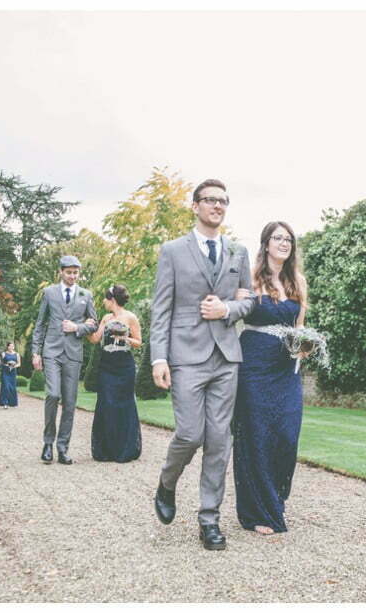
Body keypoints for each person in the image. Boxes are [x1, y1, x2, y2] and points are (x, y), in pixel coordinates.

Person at [150, 178, 257, 551]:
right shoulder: (173, 251)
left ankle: (209, 520)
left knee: (218, 441)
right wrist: (159, 358)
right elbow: (161, 308)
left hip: (226, 357)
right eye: (210, 200)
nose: (217, 206)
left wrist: (226, 308)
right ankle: (167, 480)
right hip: (186, 356)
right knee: (191, 434)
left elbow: (249, 301)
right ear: (195, 206)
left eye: (223, 201)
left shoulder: (238, 253)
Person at [232, 221, 309, 535]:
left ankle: (276, 500)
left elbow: (300, 326)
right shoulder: (250, 278)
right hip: (254, 365)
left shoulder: (297, 281)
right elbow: (233, 313)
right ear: (265, 244)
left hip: (286, 368)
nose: (284, 243)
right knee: (257, 436)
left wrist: (307, 346)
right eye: (278, 238)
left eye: (289, 239)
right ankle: (258, 511)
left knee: (287, 437)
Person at [31, 255, 99, 465]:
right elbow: (40, 324)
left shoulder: (85, 295)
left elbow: (95, 324)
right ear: (60, 272)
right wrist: (36, 352)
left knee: (70, 403)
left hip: (73, 354)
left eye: (75, 272)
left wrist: (77, 327)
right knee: (52, 395)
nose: (72, 276)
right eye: (68, 272)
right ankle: (47, 443)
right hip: (51, 352)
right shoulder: (49, 293)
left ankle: (62, 448)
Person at [86, 284, 142, 463]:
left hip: (124, 365)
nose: (103, 301)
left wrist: (124, 338)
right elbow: (95, 339)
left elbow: (138, 342)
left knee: (124, 404)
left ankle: (124, 449)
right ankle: (106, 450)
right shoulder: (105, 318)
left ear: (112, 300)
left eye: (105, 298)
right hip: (107, 365)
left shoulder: (131, 317)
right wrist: (86, 327)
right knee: (106, 403)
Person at [0, 341, 20, 409]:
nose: (11, 347)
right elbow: (0, 362)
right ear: (7, 347)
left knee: (13, 388)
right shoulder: (4, 353)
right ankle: (5, 403)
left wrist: (14, 366)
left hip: (13, 373)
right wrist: (7, 365)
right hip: (5, 372)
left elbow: (19, 364)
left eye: (12, 346)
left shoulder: (17, 354)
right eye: (10, 346)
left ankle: (13, 403)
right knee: (6, 387)